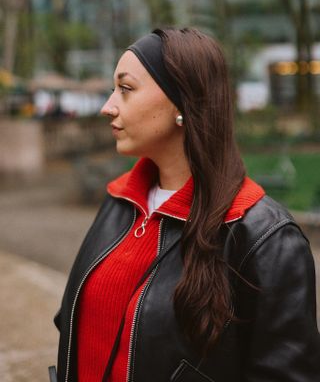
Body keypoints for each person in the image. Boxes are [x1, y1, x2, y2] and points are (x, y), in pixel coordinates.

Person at [53, 28, 320, 382]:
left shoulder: (264, 239)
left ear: (182, 102)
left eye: (126, 89)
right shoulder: (120, 201)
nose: (108, 106)